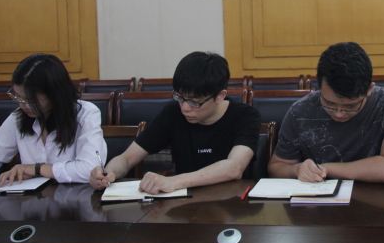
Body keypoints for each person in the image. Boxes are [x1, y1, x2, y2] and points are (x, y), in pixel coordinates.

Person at [89, 52, 260, 194]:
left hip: (232, 204)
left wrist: (174, 181)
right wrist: (109, 172)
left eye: (194, 102)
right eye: (180, 97)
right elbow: (127, 158)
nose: (185, 108)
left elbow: (234, 168)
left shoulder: (245, 116)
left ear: (220, 96)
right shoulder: (172, 113)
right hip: (184, 205)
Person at [267, 42, 384, 184]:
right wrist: (297, 170)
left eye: (350, 106)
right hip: (318, 197)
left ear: (369, 89)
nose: (339, 114)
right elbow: (276, 167)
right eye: (329, 104)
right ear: (319, 87)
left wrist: (324, 169)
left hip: (376, 197)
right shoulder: (300, 111)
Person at [0, 54, 106, 189]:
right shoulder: (18, 117)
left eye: (30, 100)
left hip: (76, 200)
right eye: (18, 97)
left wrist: (37, 169)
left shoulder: (85, 113)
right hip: (31, 200)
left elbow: (91, 169)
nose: (22, 106)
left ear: (54, 94)